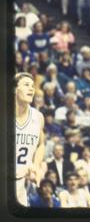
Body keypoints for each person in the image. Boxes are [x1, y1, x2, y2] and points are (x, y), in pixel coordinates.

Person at [15, 72, 45, 206]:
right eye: (26, 85)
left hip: (20, 186)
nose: (31, 89)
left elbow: (41, 144)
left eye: (33, 86)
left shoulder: (38, 117)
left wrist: (36, 165)